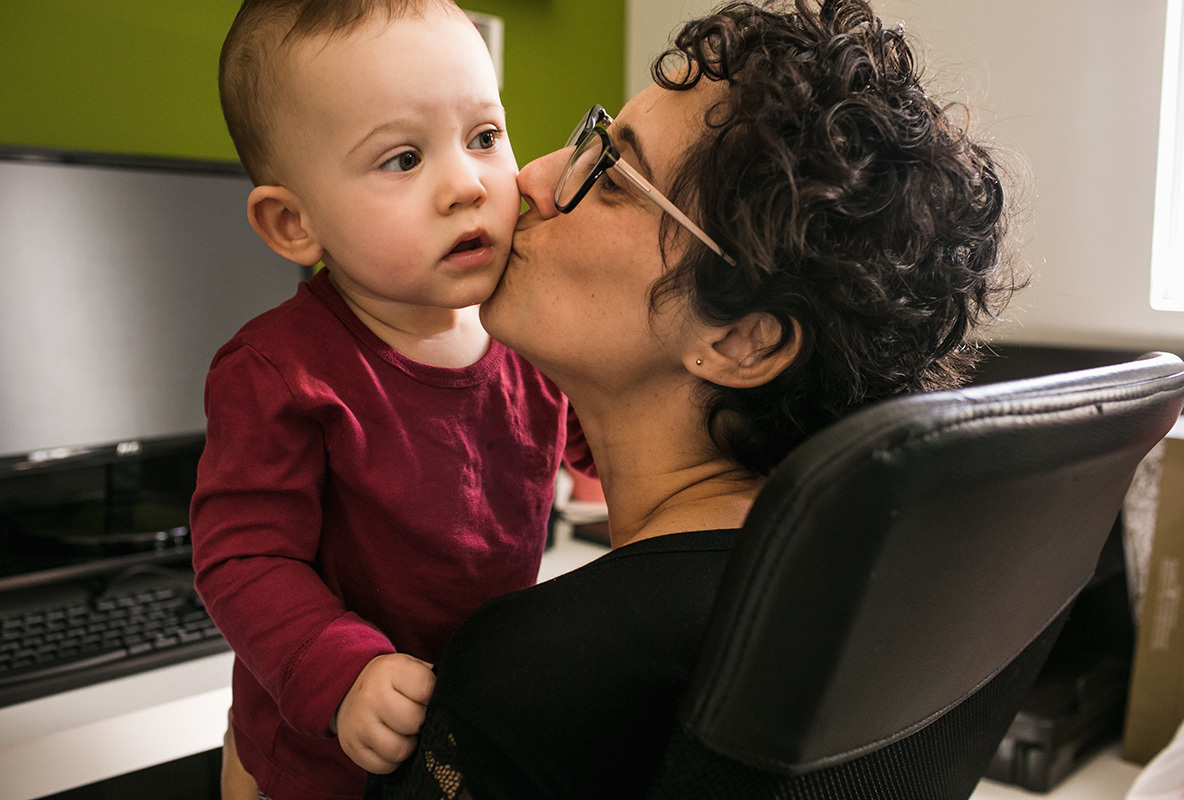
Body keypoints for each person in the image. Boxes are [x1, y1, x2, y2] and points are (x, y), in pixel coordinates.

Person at [366, 0, 1019, 797]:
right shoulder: (856, 594)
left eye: (609, 175)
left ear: (743, 341)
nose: (533, 178)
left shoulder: (544, 668)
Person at [189, 2, 587, 799]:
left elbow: (604, 439)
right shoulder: (280, 370)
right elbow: (243, 557)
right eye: (403, 159)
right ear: (294, 224)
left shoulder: (527, 325)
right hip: (316, 758)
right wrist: (343, 673)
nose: (467, 186)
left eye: (484, 137)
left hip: (461, 730)